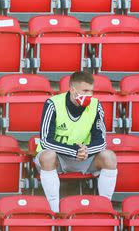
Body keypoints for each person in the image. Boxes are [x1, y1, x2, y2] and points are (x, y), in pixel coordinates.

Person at [35, 70, 118, 212]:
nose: (89, 95)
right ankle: (55, 211)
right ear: (73, 89)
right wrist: (75, 151)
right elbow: (46, 141)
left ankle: (106, 208)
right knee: (47, 155)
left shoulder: (96, 105)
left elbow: (101, 140)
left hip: (84, 158)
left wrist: (86, 151)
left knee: (109, 156)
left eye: (91, 91)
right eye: (85, 91)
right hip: (58, 158)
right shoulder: (53, 104)